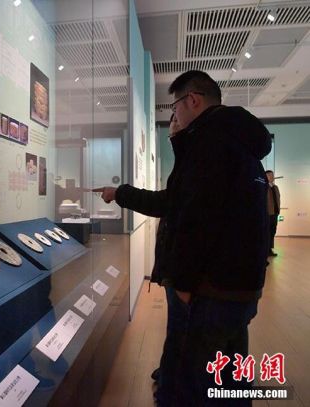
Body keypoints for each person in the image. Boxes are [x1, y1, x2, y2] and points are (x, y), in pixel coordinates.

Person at [95, 70, 271, 406]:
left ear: (193, 100)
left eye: (175, 107)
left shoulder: (209, 143)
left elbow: (195, 217)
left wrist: (185, 285)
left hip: (209, 290)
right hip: (240, 287)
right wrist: (122, 193)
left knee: (188, 385)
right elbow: (184, 201)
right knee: (230, 378)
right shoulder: (240, 143)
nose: (173, 116)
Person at [266, 170, 281, 257]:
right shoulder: (264, 188)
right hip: (267, 214)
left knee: (273, 231)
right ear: (266, 177)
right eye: (270, 175)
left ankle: (270, 249)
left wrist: (278, 211)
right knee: (267, 232)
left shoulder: (276, 187)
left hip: (275, 213)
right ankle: (265, 249)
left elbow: (278, 199)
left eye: (272, 175)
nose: (272, 177)